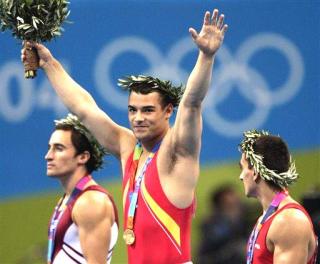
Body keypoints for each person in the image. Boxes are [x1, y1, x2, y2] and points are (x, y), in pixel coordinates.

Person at [22, 9, 228, 263]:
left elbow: (192, 103)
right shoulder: (128, 146)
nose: (138, 118)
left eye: (148, 110)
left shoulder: (177, 151)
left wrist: (206, 56)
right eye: (132, 110)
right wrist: (49, 64)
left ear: (167, 111)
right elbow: (84, 108)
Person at [45, 114, 118, 264]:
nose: (48, 156)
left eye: (59, 148)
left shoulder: (90, 202)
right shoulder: (68, 199)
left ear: (83, 157)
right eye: (49, 148)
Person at [238, 130, 318, 264]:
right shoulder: (267, 217)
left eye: (243, 168)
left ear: (256, 172)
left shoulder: (289, 221)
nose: (240, 176)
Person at [197, 184, 253, 264]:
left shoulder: (247, 215)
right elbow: (217, 242)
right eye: (231, 196)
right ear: (222, 203)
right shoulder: (212, 224)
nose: (237, 198)